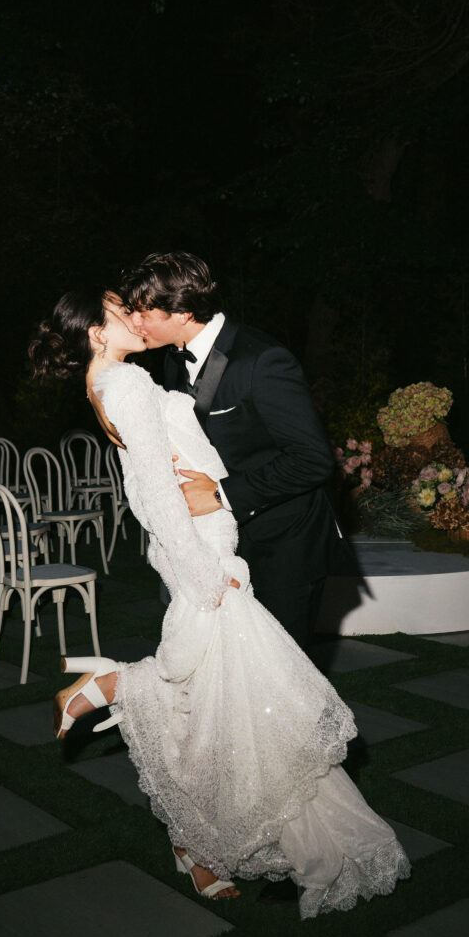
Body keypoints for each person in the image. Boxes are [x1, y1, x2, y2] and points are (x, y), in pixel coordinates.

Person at [29, 289, 410, 919]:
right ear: (96, 334)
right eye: (121, 312)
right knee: (215, 695)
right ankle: (103, 690)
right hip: (201, 552)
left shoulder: (117, 378)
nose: (135, 317)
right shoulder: (123, 384)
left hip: (205, 546)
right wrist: (207, 573)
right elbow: (152, 492)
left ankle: (190, 838)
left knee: (208, 708)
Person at [118, 251, 353, 652]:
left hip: (283, 546)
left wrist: (218, 495)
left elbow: (312, 459)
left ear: (182, 312)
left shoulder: (263, 360)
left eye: (143, 313)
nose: (134, 323)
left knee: (282, 681)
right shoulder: (173, 360)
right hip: (223, 547)